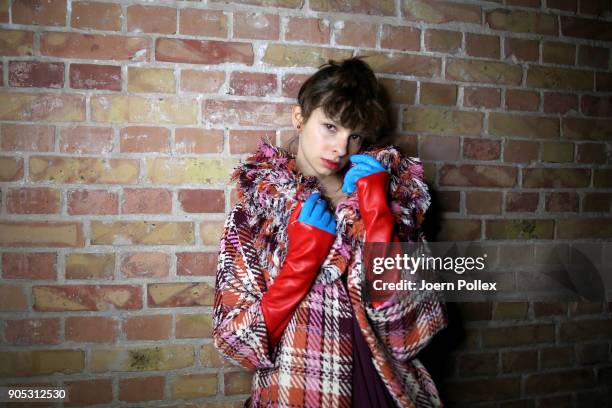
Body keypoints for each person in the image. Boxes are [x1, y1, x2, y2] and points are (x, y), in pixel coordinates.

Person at [213, 56, 448, 407]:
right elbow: (235, 343)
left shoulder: (392, 200)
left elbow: (417, 332)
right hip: (299, 394)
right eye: (330, 127)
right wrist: (299, 268)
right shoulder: (255, 214)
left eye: (354, 136)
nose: (340, 148)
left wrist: (380, 220)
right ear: (300, 118)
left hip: (388, 394)